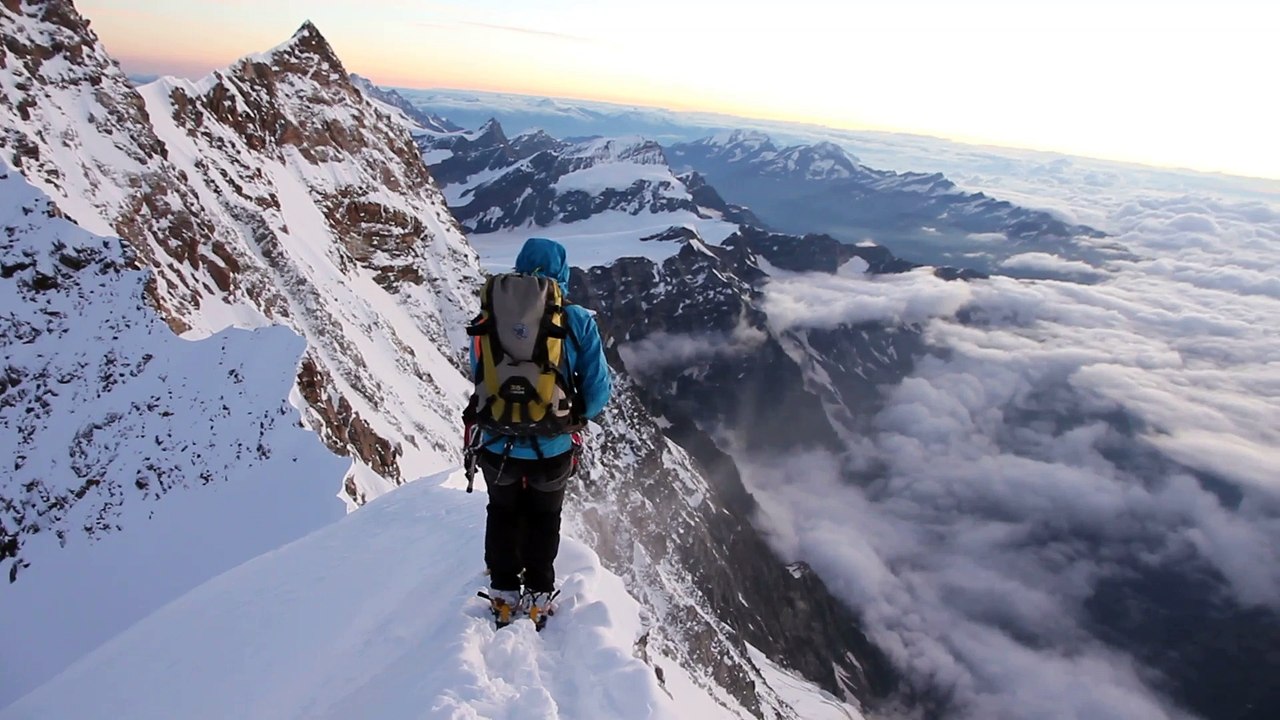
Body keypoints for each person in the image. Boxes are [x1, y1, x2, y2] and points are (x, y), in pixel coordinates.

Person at [467, 237, 612, 625]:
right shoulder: (575, 319)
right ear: (561, 272)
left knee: (502, 512)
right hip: (552, 446)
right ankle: (538, 594)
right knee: (544, 518)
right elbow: (598, 389)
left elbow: (479, 372)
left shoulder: (490, 313)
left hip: (497, 442)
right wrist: (572, 416)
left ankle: (502, 593)